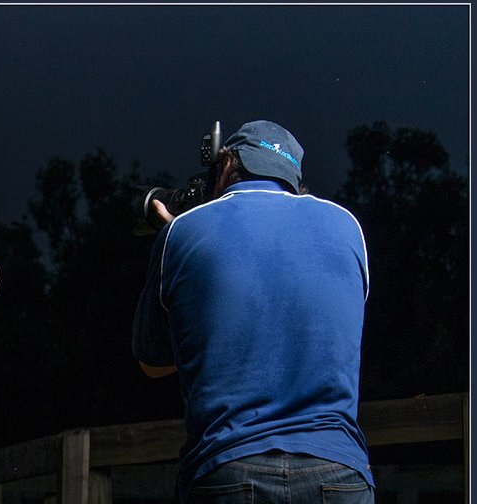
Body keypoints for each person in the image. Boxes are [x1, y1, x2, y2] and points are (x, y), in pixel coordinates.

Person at [133, 120, 374, 503]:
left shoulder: (182, 231)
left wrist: (176, 239)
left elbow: (153, 362)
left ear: (227, 165)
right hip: (338, 470)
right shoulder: (348, 227)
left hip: (229, 466)